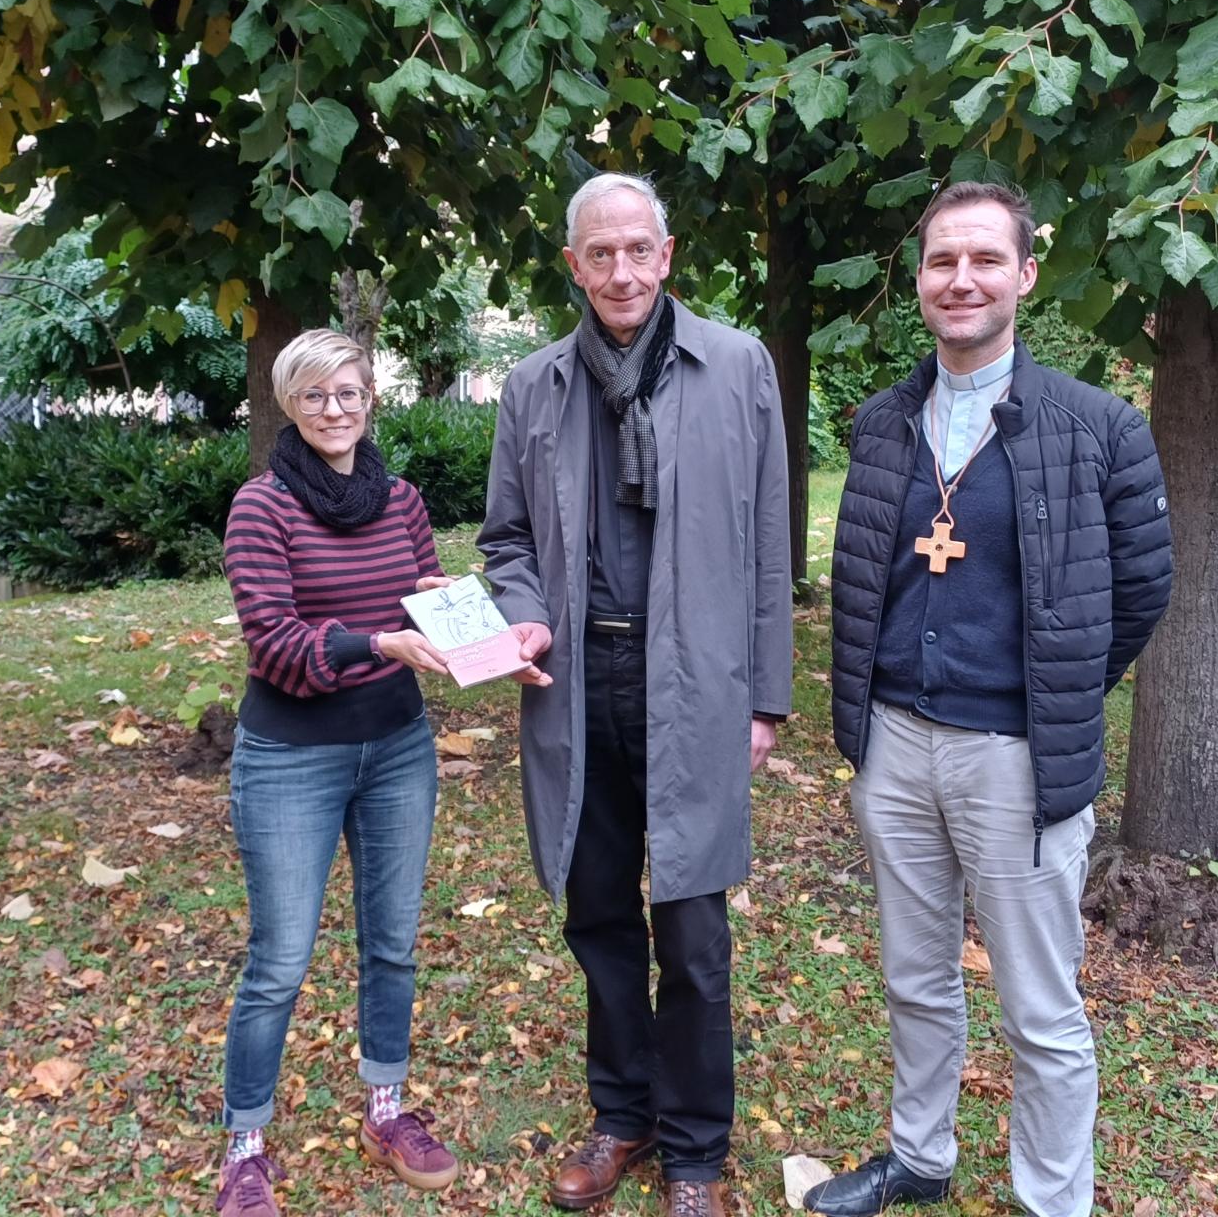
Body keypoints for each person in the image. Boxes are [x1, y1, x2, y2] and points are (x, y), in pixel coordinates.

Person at [808, 182, 1173, 1217]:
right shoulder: (883, 422)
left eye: (981, 260)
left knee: (1039, 1007)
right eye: (939, 262)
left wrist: (1058, 696)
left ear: (1023, 275)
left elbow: (1144, 587)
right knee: (915, 978)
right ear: (918, 281)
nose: (959, 279)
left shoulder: (1097, 427)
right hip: (893, 744)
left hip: (1015, 755)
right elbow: (864, 567)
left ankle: (1053, 1201)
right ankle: (919, 1159)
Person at [479, 171, 793, 1217]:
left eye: (637, 250)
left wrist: (766, 698)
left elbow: (766, 543)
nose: (620, 270)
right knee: (599, 913)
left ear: (667, 256)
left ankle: (697, 1152)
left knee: (694, 930)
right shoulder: (534, 387)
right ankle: (623, 1117)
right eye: (597, 253)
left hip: (697, 685)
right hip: (577, 685)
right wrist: (520, 611)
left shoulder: (737, 366)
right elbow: (507, 540)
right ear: (574, 264)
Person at [213, 329, 461, 1217]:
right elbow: (275, 645)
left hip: (397, 748)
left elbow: (430, 595)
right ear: (289, 403)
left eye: (349, 392)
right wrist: (380, 642)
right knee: (279, 961)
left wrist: (484, 634)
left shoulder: (400, 498)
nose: (334, 410)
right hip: (291, 758)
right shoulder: (262, 506)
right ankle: (245, 1146)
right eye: (315, 395)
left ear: (370, 399)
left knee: (391, 942)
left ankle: (386, 1108)